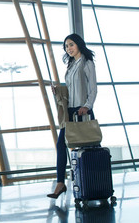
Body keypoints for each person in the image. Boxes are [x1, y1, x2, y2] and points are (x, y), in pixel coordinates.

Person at [47, 33, 98, 199]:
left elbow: (93, 88)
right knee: (61, 144)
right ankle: (60, 183)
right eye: (66, 46)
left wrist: (87, 106)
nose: (68, 48)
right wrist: (58, 91)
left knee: (90, 147)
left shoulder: (87, 63)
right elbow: (70, 90)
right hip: (70, 111)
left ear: (78, 44)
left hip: (83, 111)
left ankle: (95, 183)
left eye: (71, 45)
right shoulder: (70, 65)